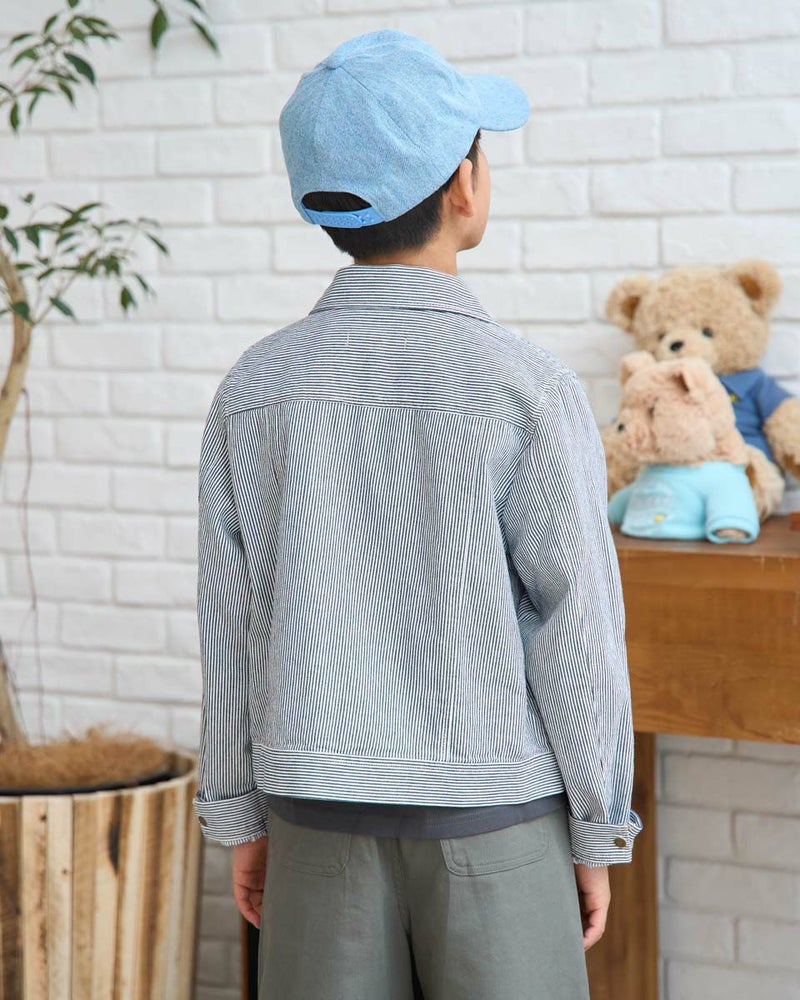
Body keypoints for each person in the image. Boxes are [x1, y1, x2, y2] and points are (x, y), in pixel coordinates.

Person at [192, 28, 643, 1000]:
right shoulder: (526, 387)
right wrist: (597, 827)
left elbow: (229, 624)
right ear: (464, 186)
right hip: (498, 823)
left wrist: (237, 814)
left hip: (311, 820)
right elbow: (574, 627)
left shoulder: (252, 390)